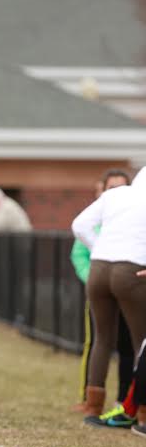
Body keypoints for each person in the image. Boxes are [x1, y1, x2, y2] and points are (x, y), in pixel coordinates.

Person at [71, 166, 146, 423]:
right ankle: (141, 411)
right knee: (142, 343)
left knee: (102, 339)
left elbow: (79, 225)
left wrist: (100, 249)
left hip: (99, 268)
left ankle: (93, 408)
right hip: (132, 270)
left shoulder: (115, 195)